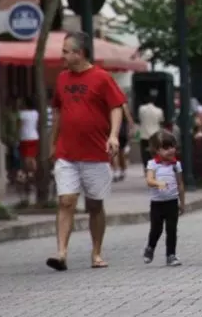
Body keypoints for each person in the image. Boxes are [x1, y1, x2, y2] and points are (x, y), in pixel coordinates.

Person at [47, 31, 125, 271]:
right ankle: (61, 253)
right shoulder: (61, 79)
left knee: (94, 205)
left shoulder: (102, 78)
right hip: (67, 152)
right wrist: (52, 143)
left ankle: (96, 252)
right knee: (66, 201)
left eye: (66, 51)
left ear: (79, 53)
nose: (62, 55)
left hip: (95, 153)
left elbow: (116, 107)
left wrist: (113, 135)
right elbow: (59, 113)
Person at [143, 130, 185, 266]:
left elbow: (180, 183)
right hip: (157, 203)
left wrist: (182, 202)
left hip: (172, 202)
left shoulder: (176, 165)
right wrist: (158, 183)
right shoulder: (153, 164)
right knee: (156, 228)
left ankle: (171, 255)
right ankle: (150, 247)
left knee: (172, 229)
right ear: (157, 150)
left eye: (172, 146)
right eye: (165, 148)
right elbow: (149, 180)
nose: (170, 150)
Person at [138, 90, 164, 170]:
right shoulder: (159, 110)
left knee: (145, 153)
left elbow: (139, 118)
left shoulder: (141, 109)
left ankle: (146, 168)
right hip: (155, 135)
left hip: (144, 134)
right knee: (155, 152)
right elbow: (161, 121)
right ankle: (155, 167)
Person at [113, 102, 136, 182]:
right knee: (121, 152)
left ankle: (116, 171)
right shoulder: (124, 106)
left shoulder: (112, 105)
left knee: (114, 152)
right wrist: (132, 130)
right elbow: (130, 120)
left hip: (114, 131)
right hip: (122, 132)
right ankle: (122, 170)